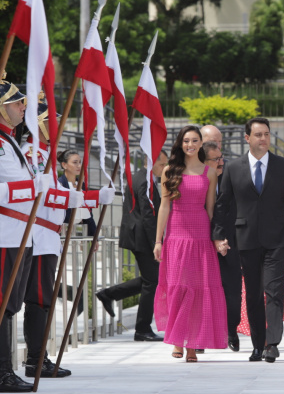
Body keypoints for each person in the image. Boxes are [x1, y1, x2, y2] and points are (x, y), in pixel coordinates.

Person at [0, 73, 52, 393]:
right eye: (17, 102)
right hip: (5, 230)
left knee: (11, 304)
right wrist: (38, 185)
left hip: (21, 230)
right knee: (0, 304)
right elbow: (9, 188)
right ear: (0, 107)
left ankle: (4, 369)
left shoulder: (9, 140)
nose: (24, 107)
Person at [212, 117, 284, 363]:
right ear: (247, 138)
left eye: (266, 134)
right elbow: (223, 206)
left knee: (274, 291)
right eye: (258, 134)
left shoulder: (283, 166)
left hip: (277, 239)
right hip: (245, 240)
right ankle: (257, 345)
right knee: (253, 295)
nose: (263, 138)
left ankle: (272, 343)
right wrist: (218, 236)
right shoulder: (233, 168)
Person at [21, 95, 103, 378]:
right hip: (39, 233)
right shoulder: (33, 154)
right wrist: (84, 197)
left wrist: (90, 198)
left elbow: (63, 197)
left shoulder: (45, 155)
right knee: (38, 298)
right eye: (52, 122)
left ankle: (40, 356)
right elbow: (49, 195)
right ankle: (35, 360)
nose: (56, 127)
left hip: (49, 234)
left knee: (44, 299)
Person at [153, 126, 227, 361]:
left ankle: (193, 344)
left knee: (198, 289)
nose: (190, 144)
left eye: (195, 140)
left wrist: (216, 238)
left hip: (201, 236)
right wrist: (158, 241)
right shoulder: (169, 171)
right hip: (175, 235)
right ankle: (177, 340)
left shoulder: (210, 172)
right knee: (177, 286)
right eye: (186, 141)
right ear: (180, 144)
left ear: (200, 143)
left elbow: (211, 209)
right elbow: (164, 206)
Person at [95, 151, 168, 342]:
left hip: (139, 235)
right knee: (152, 282)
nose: (165, 169)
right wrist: (157, 242)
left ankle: (108, 294)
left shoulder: (141, 177)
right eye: (162, 165)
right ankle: (142, 329)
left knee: (150, 279)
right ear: (152, 163)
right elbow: (148, 215)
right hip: (142, 237)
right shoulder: (145, 180)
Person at [203, 140, 243, 351]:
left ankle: (231, 331)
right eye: (215, 159)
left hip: (230, 243)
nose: (221, 162)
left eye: (221, 158)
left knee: (232, 290)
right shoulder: (195, 180)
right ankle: (199, 337)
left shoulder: (231, 177)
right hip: (201, 243)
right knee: (202, 290)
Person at [58, 149, 97, 237]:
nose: (79, 166)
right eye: (75, 162)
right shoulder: (59, 185)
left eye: (80, 162)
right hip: (62, 232)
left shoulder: (82, 185)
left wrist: (93, 235)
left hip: (80, 231)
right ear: (64, 165)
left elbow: (89, 212)